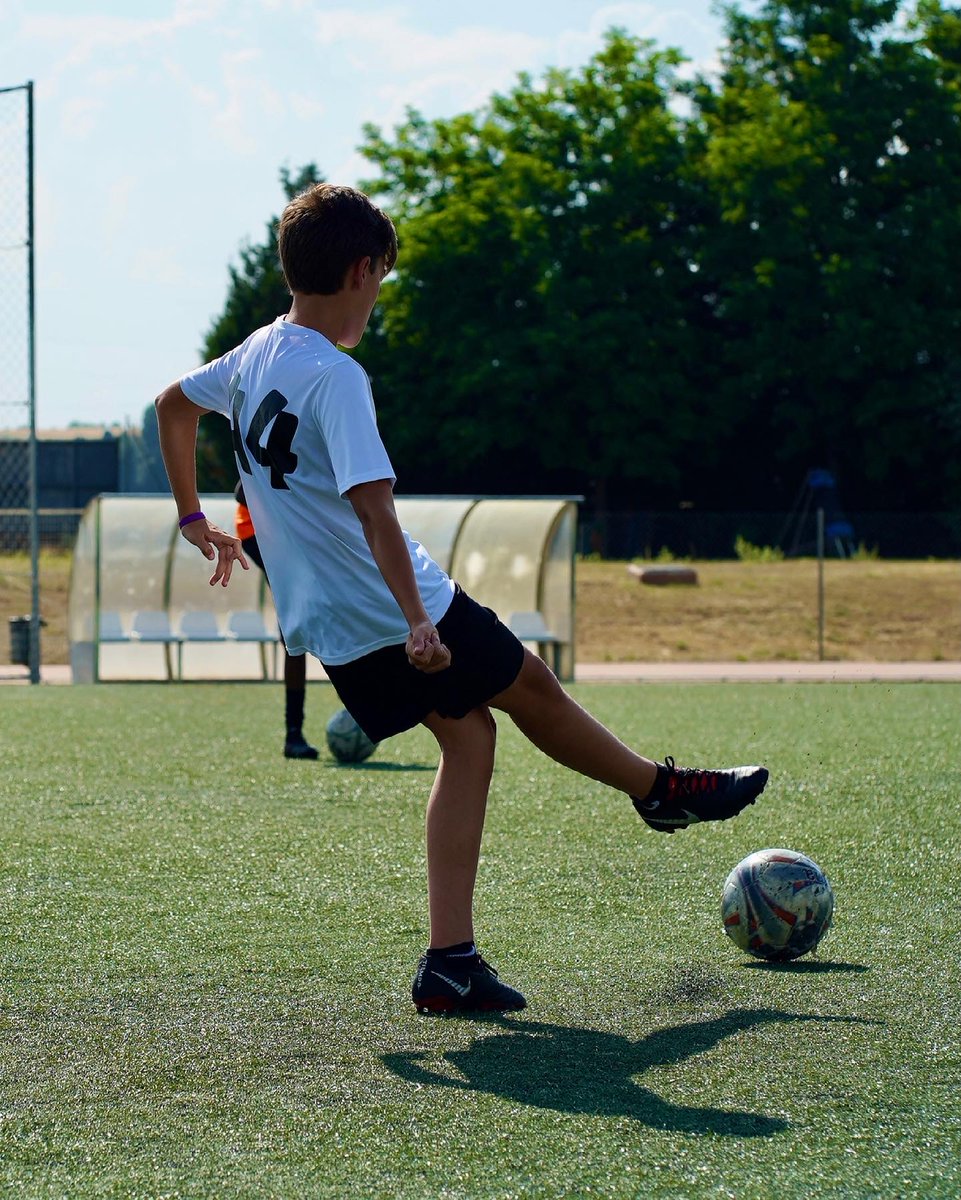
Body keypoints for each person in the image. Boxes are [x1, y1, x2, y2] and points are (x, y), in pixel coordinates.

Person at [155, 183, 769, 1017]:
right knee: (530, 690)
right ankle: (659, 792)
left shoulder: (258, 350)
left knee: (470, 737)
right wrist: (417, 618)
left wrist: (195, 518)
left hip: (330, 621)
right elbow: (374, 510)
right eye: (380, 279)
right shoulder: (335, 376)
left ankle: (451, 961)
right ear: (362, 269)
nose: (378, 294)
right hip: (390, 605)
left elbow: (171, 406)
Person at [235, 480, 318, 760]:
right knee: (294, 619)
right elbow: (241, 491)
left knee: (321, 613)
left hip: (287, 530)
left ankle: (297, 732)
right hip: (259, 531)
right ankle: (293, 733)